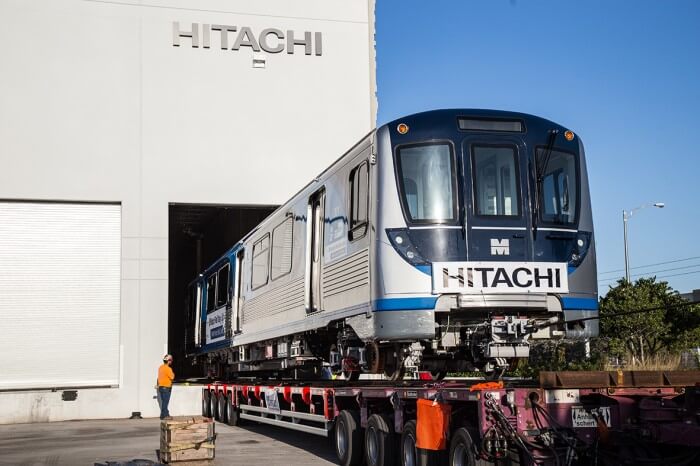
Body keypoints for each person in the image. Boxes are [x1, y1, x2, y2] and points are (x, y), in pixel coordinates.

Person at [158, 354, 175, 420]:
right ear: (169, 361)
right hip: (166, 387)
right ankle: (164, 416)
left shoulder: (160, 367)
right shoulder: (168, 369)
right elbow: (172, 377)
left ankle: (165, 415)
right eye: (171, 361)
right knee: (165, 402)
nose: (171, 362)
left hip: (161, 387)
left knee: (164, 402)